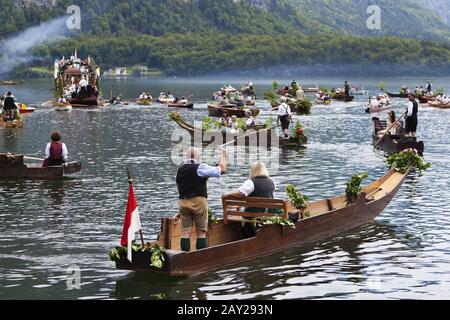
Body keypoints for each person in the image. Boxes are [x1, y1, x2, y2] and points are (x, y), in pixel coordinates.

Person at [176, 147, 227, 252]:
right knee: (201, 232)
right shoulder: (200, 167)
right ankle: (200, 255)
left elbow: (180, 185)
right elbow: (222, 169)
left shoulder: (179, 170)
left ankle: (185, 256)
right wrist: (223, 155)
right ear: (196, 157)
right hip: (198, 202)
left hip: (183, 202)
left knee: (185, 232)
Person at [223, 161, 277, 237]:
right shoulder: (272, 182)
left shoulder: (251, 182)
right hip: (269, 214)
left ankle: (246, 236)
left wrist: (227, 194)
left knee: (246, 215)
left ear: (253, 170)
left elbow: (240, 194)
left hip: (253, 215)